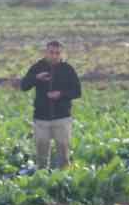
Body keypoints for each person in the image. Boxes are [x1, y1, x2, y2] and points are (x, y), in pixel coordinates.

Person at [18, 39, 82, 169]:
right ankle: (42, 180)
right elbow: (24, 86)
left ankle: (63, 182)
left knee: (64, 156)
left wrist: (61, 94)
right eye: (51, 52)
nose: (54, 56)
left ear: (62, 54)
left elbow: (77, 91)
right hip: (41, 118)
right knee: (41, 157)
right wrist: (36, 78)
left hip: (62, 118)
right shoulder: (37, 67)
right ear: (45, 53)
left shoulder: (68, 69)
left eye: (57, 53)